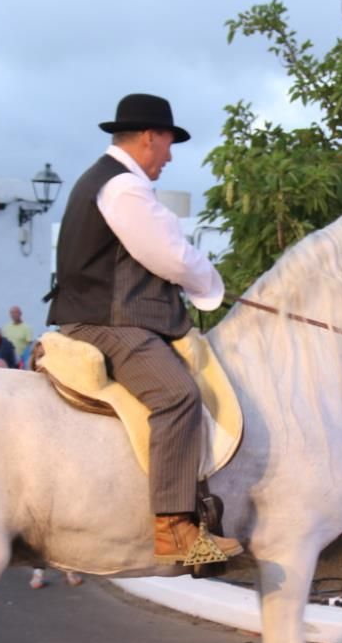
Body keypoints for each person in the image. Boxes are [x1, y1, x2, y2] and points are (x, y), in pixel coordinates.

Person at [46, 92, 239, 565]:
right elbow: (169, 254)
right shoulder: (124, 187)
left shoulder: (106, 180)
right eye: (169, 144)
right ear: (151, 137)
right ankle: (173, 528)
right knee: (177, 396)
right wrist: (211, 284)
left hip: (104, 314)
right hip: (108, 321)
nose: (170, 156)